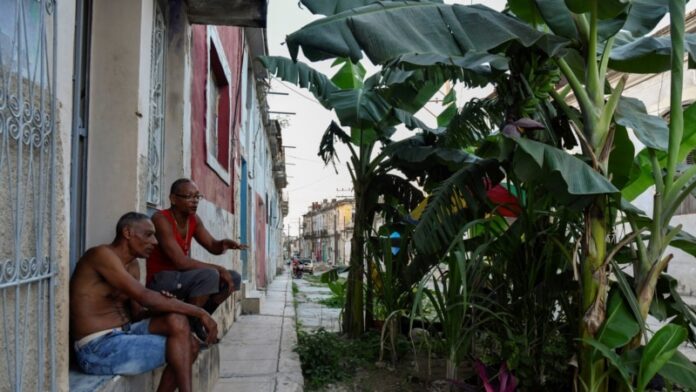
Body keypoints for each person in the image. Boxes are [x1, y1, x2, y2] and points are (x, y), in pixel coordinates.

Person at [70, 212, 218, 392]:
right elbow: (145, 296)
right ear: (128, 233)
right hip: (97, 348)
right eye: (148, 235)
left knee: (178, 321)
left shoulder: (132, 265)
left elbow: (139, 312)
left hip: (125, 333)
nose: (155, 242)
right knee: (187, 347)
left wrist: (166, 305)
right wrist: (199, 312)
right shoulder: (101, 255)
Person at [146, 178, 246, 341]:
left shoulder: (193, 219)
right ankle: (193, 322)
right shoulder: (161, 219)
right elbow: (181, 262)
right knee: (210, 275)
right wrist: (219, 269)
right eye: (189, 197)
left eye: (197, 197)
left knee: (233, 278)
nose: (194, 201)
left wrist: (223, 244)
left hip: (183, 278)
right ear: (173, 199)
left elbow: (212, 245)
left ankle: (195, 322)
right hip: (161, 280)